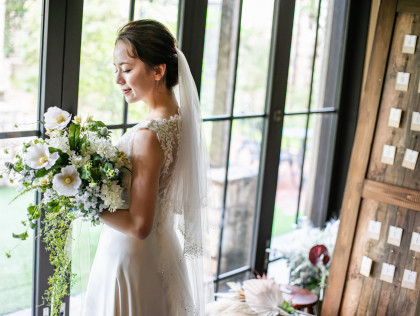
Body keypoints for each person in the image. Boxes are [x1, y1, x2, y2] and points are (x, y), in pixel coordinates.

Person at [83, 19, 213, 315]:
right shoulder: (179, 121)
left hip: (131, 257)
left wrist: (82, 201)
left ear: (158, 70)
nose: (118, 80)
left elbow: (140, 226)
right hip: (163, 250)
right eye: (116, 69)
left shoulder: (149, 136)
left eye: (126, 69)